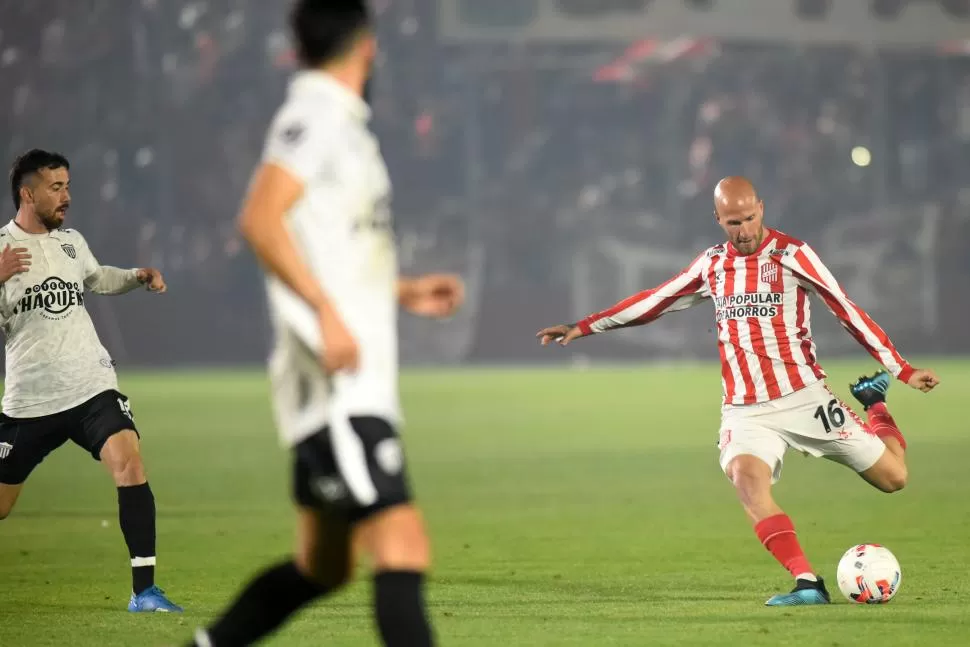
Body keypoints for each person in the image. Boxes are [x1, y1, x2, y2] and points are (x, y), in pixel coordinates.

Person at [188, 2, 464, 645]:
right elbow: (261, 218)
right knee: (403, 544)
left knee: (323, 567)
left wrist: (397, 290)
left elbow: (330, 248)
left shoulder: (339, 122)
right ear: (367, 46)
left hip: (345, 382)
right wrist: (325, 314)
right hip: (338, 387)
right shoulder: (316, 117)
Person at [537, 176, 940, 606]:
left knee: (894, 479)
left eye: (749, 218)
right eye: (733, 222)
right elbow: (654, 300)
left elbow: (846, 308)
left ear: (761, 209)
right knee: (747, 483)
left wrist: (901, 369)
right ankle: (807, 583)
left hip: (805, 397)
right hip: (746, 411)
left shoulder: (793, 255)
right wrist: (584, 326)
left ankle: (874, 404)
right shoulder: (712, 264)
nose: (743, 230)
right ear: (717, 219)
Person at [0, 149, 183, 612]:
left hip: (90, 389)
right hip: (29, 402)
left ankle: (144, 592)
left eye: (67, 185)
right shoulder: (1, 248)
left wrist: (137, 277)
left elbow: (99, 278)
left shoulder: (71, 242)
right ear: (27, 193)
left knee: (130, 463)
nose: (66, 196)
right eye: (55, 187)